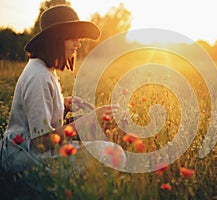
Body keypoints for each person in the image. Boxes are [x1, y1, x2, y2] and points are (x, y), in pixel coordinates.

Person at [0, 5, 125, 174]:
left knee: (103, 147)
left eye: (78, 38)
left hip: (32, 153)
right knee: (113, 153)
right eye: (72, 37)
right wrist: (89, 121)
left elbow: (42, 117)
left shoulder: (44, 70)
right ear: (56, 39)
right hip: (26, 159)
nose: (78, 44)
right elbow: (41, 142)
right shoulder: (39, 76)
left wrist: (63, 104)